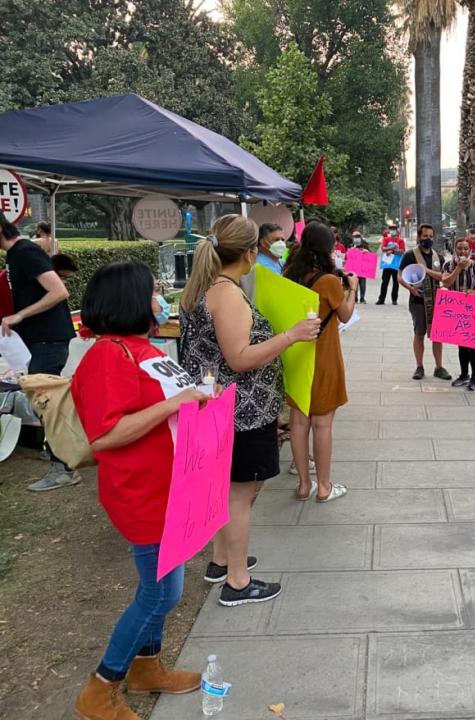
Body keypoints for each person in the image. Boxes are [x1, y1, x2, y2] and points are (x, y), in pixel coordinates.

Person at [70, 262, 207, 720]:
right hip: (142, 492)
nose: (160, 298)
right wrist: (174, 403)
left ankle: (148, 667)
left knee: (164, 585)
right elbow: (104, 434)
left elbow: (170, 402)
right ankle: (102, 685)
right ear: (129, 300)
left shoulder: (139, 348)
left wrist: (201, 398)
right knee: (161, 593)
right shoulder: (109, 355)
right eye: (152, 292)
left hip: (172, 486)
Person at [180, 214, 321, 606]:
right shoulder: (226, 293)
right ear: (248, 253)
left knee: (226, 490)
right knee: (241, 494)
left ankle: (222, 561)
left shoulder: (203, 287)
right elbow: (239, 357)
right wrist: (291, 335)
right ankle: (238, 582)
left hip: (217, 404)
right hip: (241, 411)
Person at [0, 218, 78, 491]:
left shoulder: (25, 251)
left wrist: (20, 314)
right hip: (38, 340)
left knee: (47, 403)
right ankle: (62, 457)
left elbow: (59, 291)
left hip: (49, 339)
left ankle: (64, 468)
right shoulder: (15, 254)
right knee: (44, 402)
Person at [283, 222, 355, 502]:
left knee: (299, 423)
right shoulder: (328, 281)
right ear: (327, 248)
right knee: (322, 425)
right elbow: (345, 315)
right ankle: (324, 486)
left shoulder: (289, 275)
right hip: (323, 358)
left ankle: (303, 484)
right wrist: (353, 289)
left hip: (296, 356)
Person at [399, 224, 451, 381]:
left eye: (430, 236)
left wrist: (428, 271)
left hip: (436, 301)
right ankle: (419, 366)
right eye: (425, 236)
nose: (428, 239)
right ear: (419, 237)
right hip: (418, 300)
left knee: (437, 335)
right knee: (419, 333)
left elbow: (443, 277)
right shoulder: (410, 255)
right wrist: (410, 288)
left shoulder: (438, 257)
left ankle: (439, 367)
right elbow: (400, 276)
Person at [441, 237, 475, 391]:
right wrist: (458, 268)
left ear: (470, 251)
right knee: (461, 345)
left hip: (473, 310)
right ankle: (464, 374)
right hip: (456, 310)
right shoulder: (448, 265)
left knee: (473, 345)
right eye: (459, 248)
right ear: (455, 249)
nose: (462, 251)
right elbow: (446, 282)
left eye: (465, 249)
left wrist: (473, 292)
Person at [376, 240, 402, 305]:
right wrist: (393, 248)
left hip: (396, 265)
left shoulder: (401, 241)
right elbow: (382, 249)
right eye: (391, 229)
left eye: (394, 229)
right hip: (387, 265)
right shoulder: (386, 239)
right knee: (384, 282)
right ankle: (381, 299)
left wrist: (392, 251)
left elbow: (402, 252)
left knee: (396, 283)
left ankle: (394, 300)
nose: (392, 230)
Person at [350, 230, 371, 303]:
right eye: (355, 236)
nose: (356, 238)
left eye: (358, 236)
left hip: (362, 266)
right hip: (353, 267)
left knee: (362, 282)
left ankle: (362, 298)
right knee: (353, 282)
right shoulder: (351, 244)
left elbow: (370, 254)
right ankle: (355, 297)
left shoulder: (364, 244)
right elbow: (346, 255)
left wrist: (366, 251)